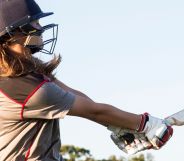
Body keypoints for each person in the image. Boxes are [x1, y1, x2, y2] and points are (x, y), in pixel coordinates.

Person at [0, 0, 173, 161]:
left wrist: (118, 125)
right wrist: (145, 124)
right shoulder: (28, 88)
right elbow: (93, 111)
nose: (41, 28)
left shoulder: (26, 71)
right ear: (14, 32)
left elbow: (73, 94)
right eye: (36, 23)